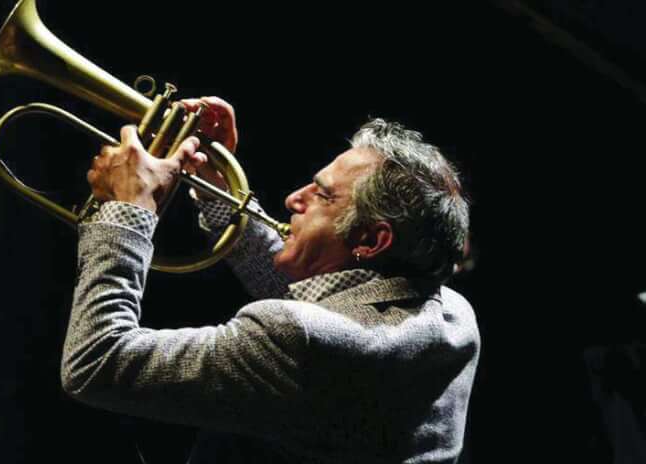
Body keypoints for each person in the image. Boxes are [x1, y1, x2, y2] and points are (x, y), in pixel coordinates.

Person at [61, 97, 480, 464]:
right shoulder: (451, 315)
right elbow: (327, 303)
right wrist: (215, 183)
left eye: (322, 195)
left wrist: (128, 209)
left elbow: (95, 363)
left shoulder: (299, 340)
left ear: (371, 241)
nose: (293, 199)